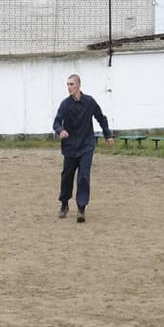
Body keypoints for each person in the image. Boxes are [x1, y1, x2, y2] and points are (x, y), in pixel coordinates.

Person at [52, 74, 113, 223]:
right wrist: (61, 131)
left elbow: (100, 117)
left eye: (71, 84)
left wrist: (107, 134)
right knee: (67, 176)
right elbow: (56, 122)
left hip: (86, 145)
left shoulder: (89, 102)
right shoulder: (65, 104)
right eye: (67, 84)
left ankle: (81, 208)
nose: (69, 87)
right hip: (70, 147)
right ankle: (64, 204)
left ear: (79, 85)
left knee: (83, 176)